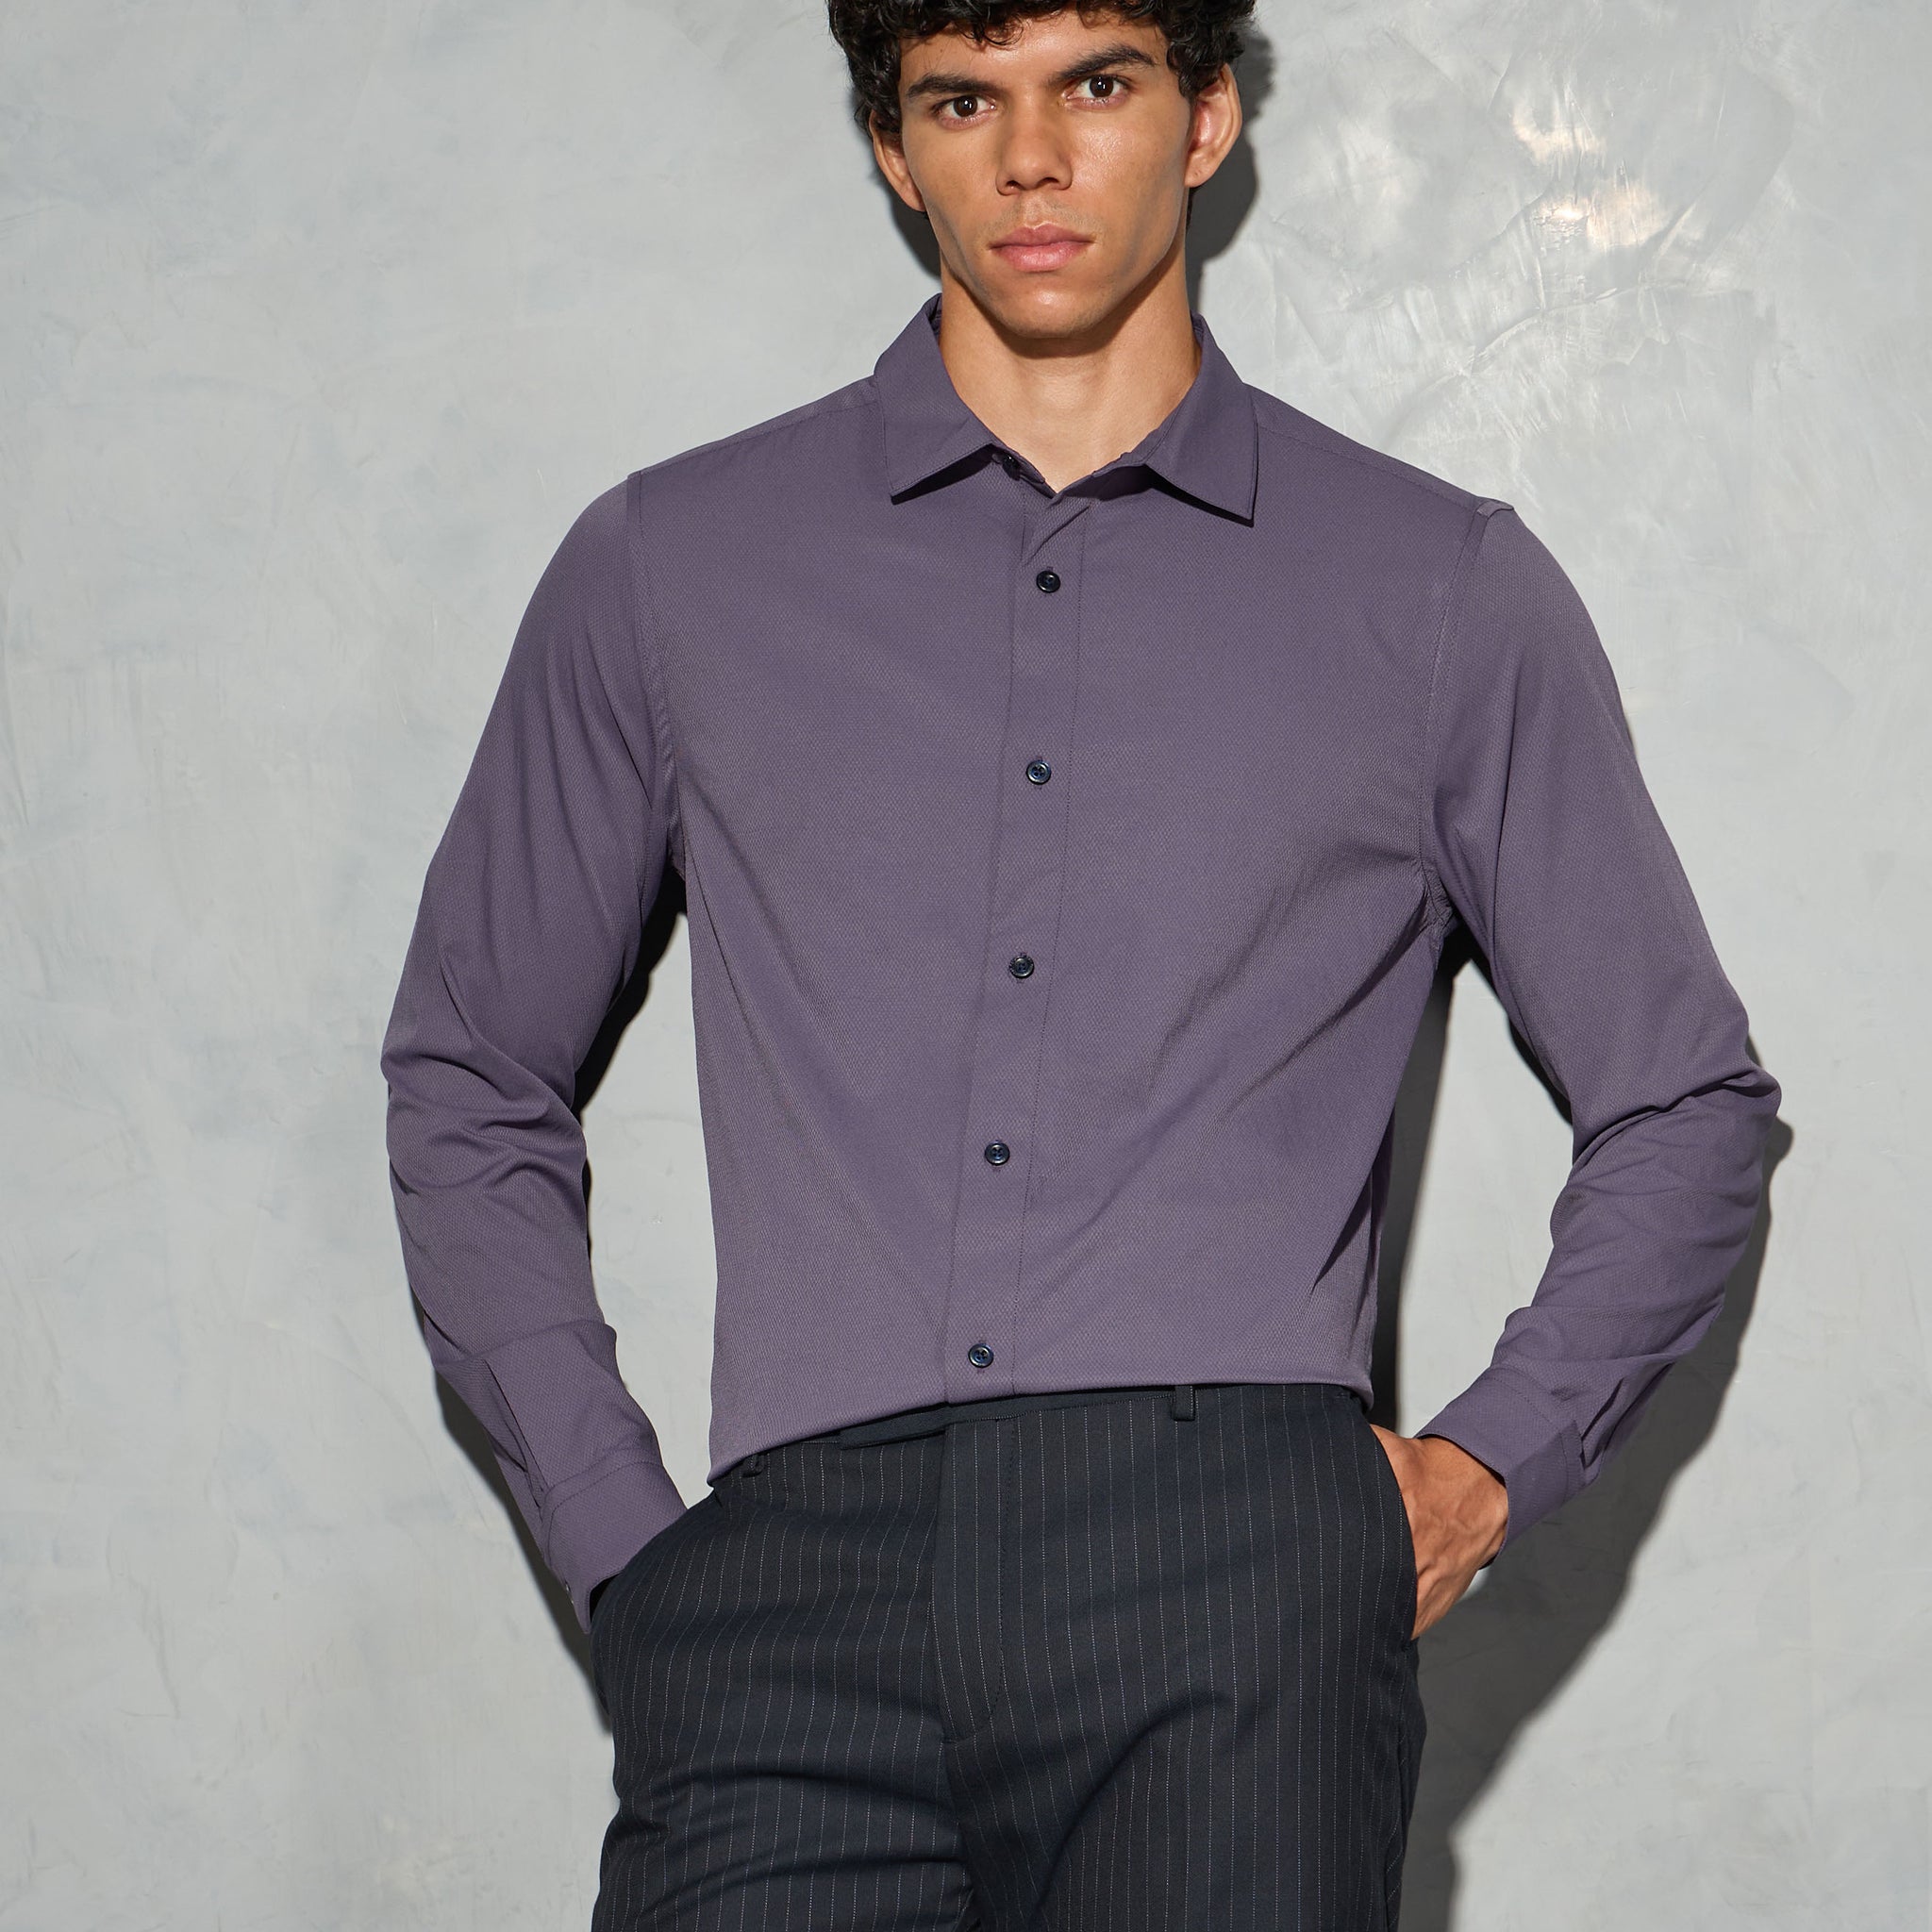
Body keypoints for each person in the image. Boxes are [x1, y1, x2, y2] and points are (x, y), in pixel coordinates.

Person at [379, 3, 1781, 1925]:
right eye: (963, 100)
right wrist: (628, 1554)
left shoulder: (1433, 588)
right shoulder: (670, 566)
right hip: (786, 1601)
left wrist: (1478, 1473)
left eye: (1095, 86)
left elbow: (1684, 1100)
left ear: (1204, 118)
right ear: (895, 147)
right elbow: (469, 1075)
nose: (1029, 160)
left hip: (1232, 1596)